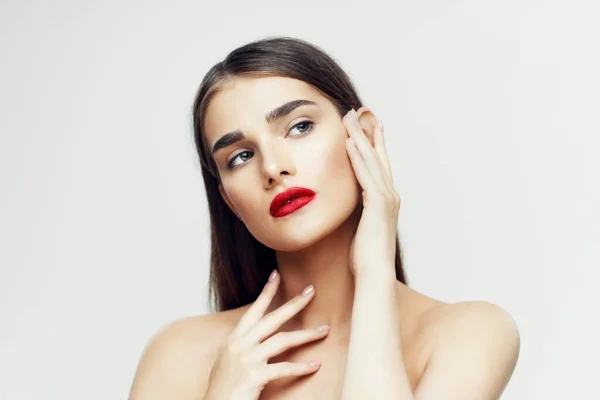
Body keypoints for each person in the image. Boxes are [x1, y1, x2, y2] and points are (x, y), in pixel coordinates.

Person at [128, 36, 520, 400]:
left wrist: (373, 271)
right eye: (241, 156)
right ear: (229, 202)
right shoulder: (181, 355)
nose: (273, 167)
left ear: (363, 137)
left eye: (299, 127)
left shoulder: (467, 334)